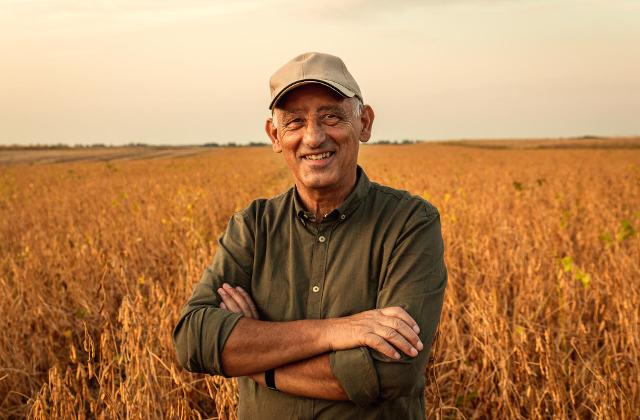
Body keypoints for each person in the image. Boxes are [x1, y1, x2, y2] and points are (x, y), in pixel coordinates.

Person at [173, 52, 447, 419]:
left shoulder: (409, 223)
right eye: (295, 122)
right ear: (275, 136)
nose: (314, 138)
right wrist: (334, 332)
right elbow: (193, 339)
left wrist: (255, 361)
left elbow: (390, 372)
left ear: (364, 123)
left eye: (331, 116)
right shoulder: (253, 226)